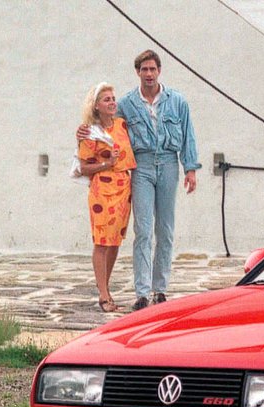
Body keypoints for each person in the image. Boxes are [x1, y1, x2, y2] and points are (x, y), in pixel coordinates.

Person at [78, 49, 200, 311]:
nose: (148, 74)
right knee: (143, 229)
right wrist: (83, 130)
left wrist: (190, 168)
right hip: (141, 167)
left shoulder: (177, 101)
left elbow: (188, 134)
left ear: (159, 71)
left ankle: (160, 289)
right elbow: (105, 121)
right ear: (137, 72)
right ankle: (142, 292)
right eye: (143, 69)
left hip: (168, 163)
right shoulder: (127, 103)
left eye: (152, 69)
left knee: (165, 229)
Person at [78, 83, 136, 312]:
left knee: (114, 242)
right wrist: (106, 164)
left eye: (113, 98)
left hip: (123, 187)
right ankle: (103, 294)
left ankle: (107, 288)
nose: (112, 102)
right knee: (101, 242)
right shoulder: (90, 133)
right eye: (106, 100)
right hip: (102, 189)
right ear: (96, 106)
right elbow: (83, 167)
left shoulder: (122, 124)